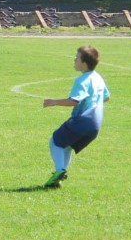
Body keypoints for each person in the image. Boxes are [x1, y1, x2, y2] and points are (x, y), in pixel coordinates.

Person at [42, 45, 110, 188]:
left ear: (84, 63)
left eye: (77, 57)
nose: (74, 59)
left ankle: (60, 170)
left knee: (55, 140)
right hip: (96, 124)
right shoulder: (98, 78)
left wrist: (53, 102)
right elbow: (106, 97)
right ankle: (58, 178)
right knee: (66, 146)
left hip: (84, 120)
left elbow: (74, 101)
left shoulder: (82, 80)